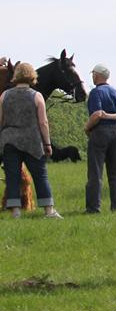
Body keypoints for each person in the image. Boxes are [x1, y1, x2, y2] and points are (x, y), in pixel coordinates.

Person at [0, 62, 62, 218]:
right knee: (40, 175)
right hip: (32, 141)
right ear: (32, 76)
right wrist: (47, 143)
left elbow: (0, 120)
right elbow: (43, 122)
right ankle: (49, 210)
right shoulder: (37, 96)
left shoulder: (4, 96)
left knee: (12, 176)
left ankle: (15, 211)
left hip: (9, 142)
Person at [84, 63, 116, 213]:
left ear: (97, 75)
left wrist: (87, 127)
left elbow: (96, 114)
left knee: (95, 173)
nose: (92, 77)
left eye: (93, 74)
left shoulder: (96, 93)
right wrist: (112, 117)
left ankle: (93, 207)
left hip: (100, 132)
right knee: (115, 174)